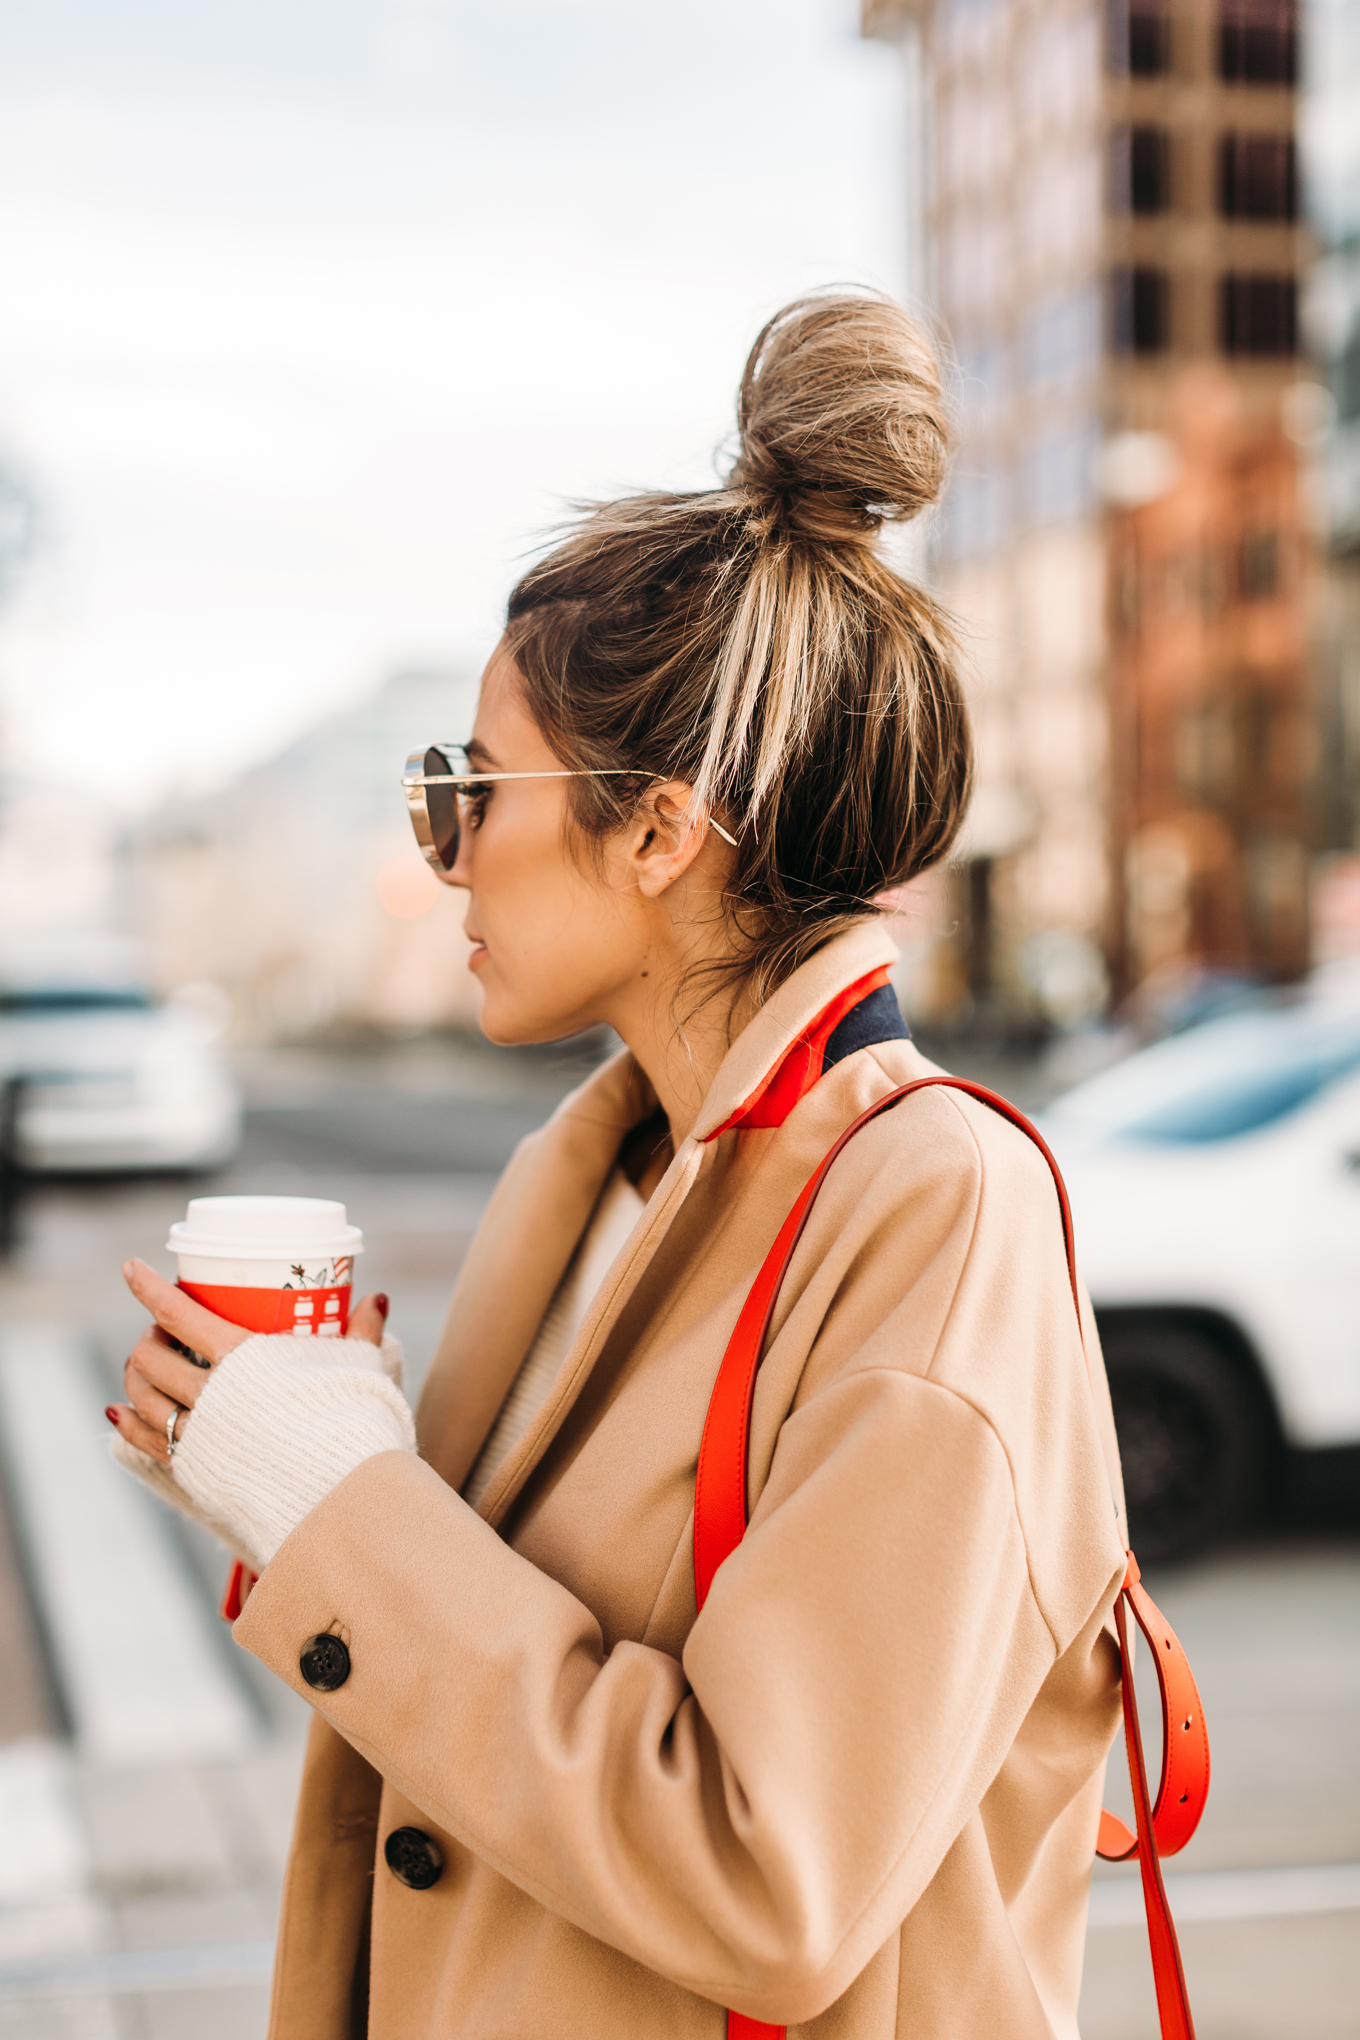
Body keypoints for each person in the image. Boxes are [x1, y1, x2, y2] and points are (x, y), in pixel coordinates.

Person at [108, 292, 1128, 2040]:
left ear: (656, 826)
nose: (444, 853)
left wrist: (339, 1507)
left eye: (470, 788)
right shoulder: (581, 1182)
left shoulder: (934, 1208)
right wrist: (310, 1473)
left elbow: (765, 1874)